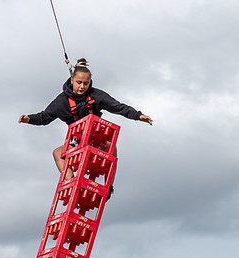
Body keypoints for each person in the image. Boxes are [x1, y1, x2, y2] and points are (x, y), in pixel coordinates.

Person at [19, 58, 153, 174]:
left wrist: (138, 116)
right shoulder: (62, 101)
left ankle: (109, 187)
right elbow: (44, 117)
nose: (82, 86)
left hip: (96, 140)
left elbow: (118, 107)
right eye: (79, 83)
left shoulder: (96, 95)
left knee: (111, 147)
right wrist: (28, 119)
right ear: (72, 80)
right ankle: (71, 182)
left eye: (86, 83)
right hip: (78, 143)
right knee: (57, 153)